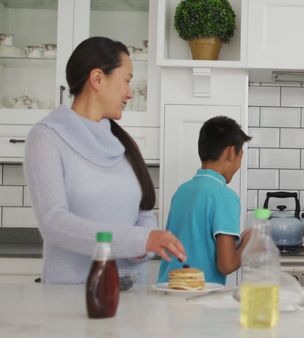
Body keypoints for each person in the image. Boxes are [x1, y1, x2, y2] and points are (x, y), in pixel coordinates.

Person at [24, 36, 186, 284]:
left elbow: (143, 212)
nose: (130, 94)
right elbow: (53, 223)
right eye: (126, 81)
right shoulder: (46, 137)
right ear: (97, 79)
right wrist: (138, 240)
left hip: (130, 295)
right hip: (72, 299)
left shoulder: (122, 143)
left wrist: (143, 244)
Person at [157, 116, 252, 285]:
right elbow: (226, 265)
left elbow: (197, 244)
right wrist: (251, 242)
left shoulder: (182, 191)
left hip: (169, 289)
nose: (239, 164)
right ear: (231, 152)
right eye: (240, 156)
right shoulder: (226, 197)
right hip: (199, 297)